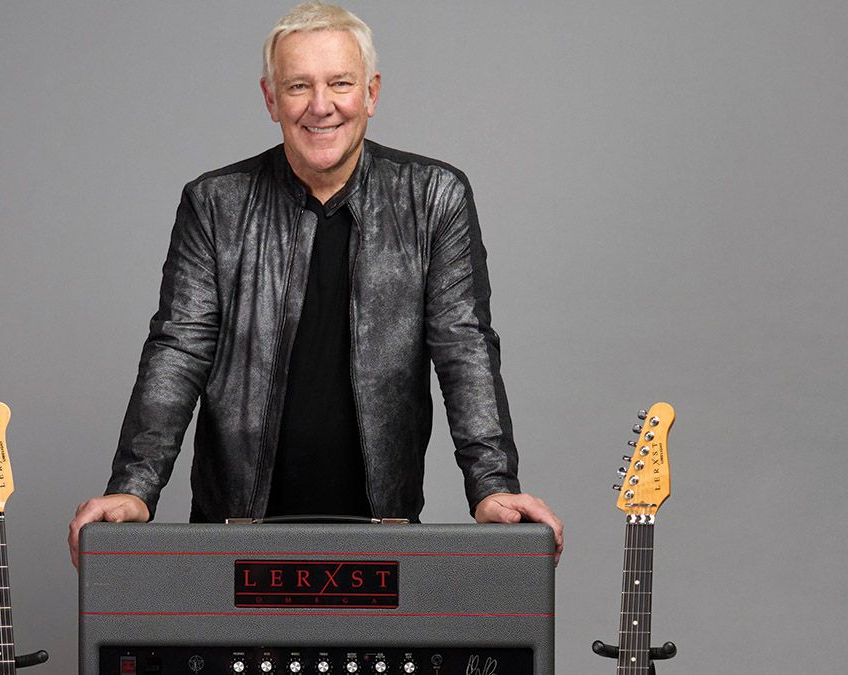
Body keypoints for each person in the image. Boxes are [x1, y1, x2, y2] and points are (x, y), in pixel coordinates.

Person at [68, 1, 563, 567]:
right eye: (298, 85)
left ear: (372, 94)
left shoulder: (434, 198)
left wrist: (494, 486)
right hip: (234, 533)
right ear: (270, 99)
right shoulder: (215, 204)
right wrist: (132, 488)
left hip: (384, 531)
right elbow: (179, 349)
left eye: (340, 83)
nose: (320, 106)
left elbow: (463, 346)